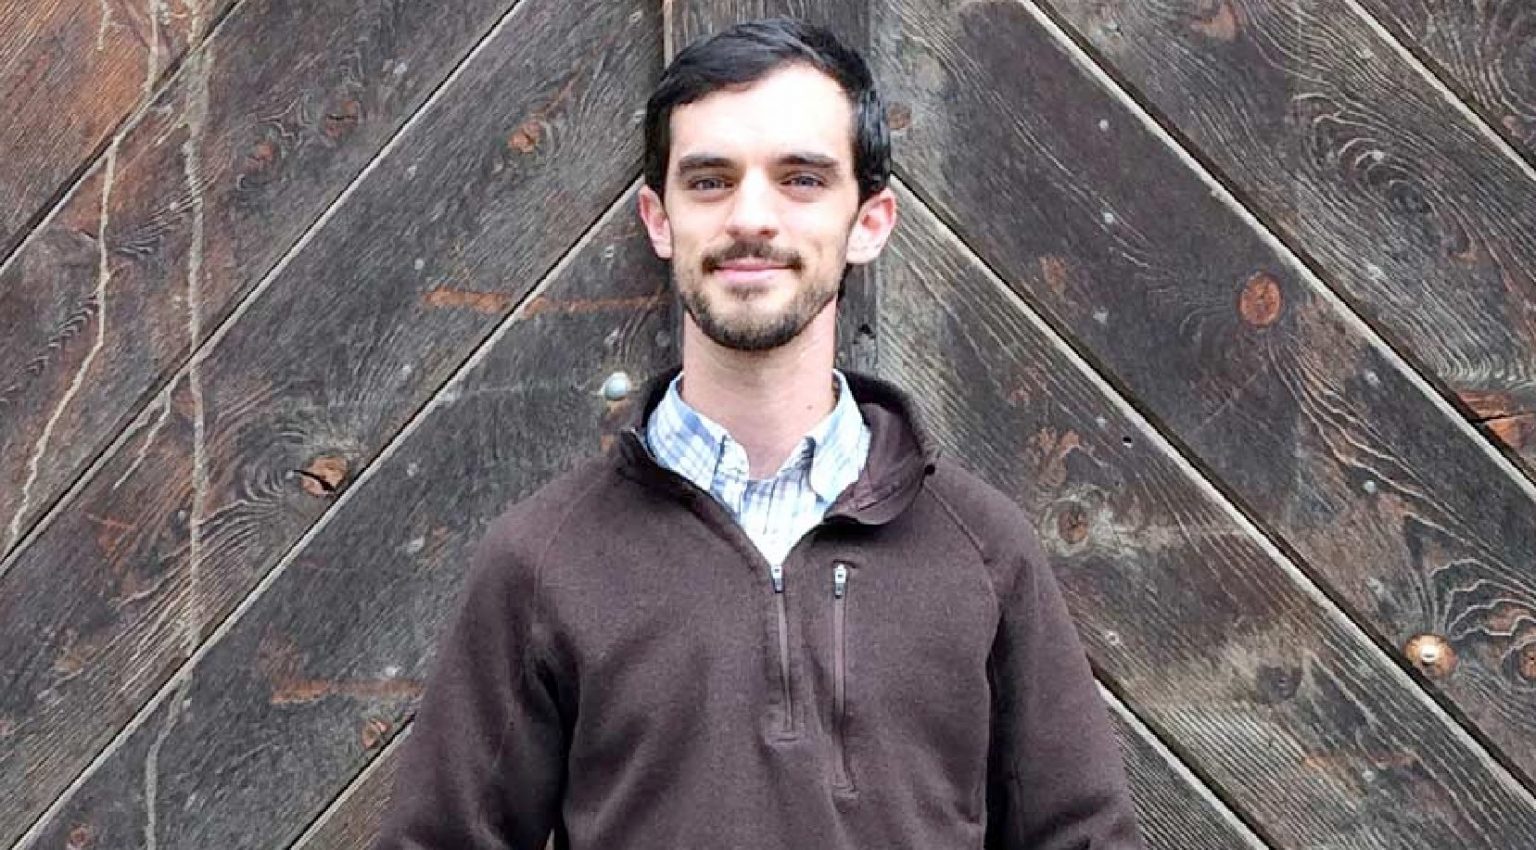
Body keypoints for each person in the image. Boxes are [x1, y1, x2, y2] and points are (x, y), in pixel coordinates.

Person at [372, 17, 1144, 850]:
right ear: (658, 219)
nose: (751, 217)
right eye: (709, 181)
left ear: (870, 221)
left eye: (801, 179)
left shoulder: (984, 552)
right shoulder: (543, 560)